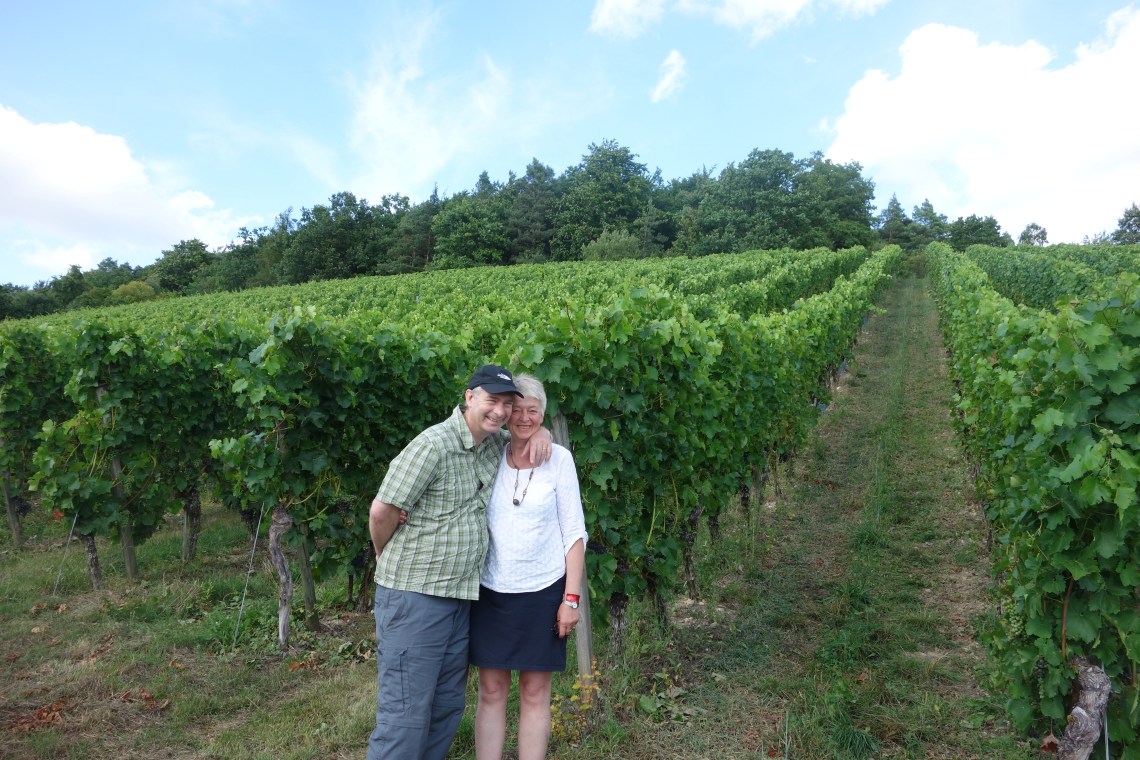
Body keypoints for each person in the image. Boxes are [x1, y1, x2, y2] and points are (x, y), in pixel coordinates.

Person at [367, 365, 551, 760]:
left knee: (446, 709)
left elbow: (521, 433)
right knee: (406, 713)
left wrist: (542, 431)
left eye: (507, 404)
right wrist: (385, 557)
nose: (501, 412)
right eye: (492, 401)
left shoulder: (489, 443)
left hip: (460, 598)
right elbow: (382, 510)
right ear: (469, 397)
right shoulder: (432, 445)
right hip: (415, 595)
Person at [469, 373, 588, 760]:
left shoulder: (559, 460)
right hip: (491, 593)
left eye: (532, 411)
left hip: (543, 593)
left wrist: (570, 599)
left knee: (535, 693)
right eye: (515, 409)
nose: (522, 418)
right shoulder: (490, 453)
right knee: (491, 692)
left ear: (543, 413)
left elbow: (574, 534)